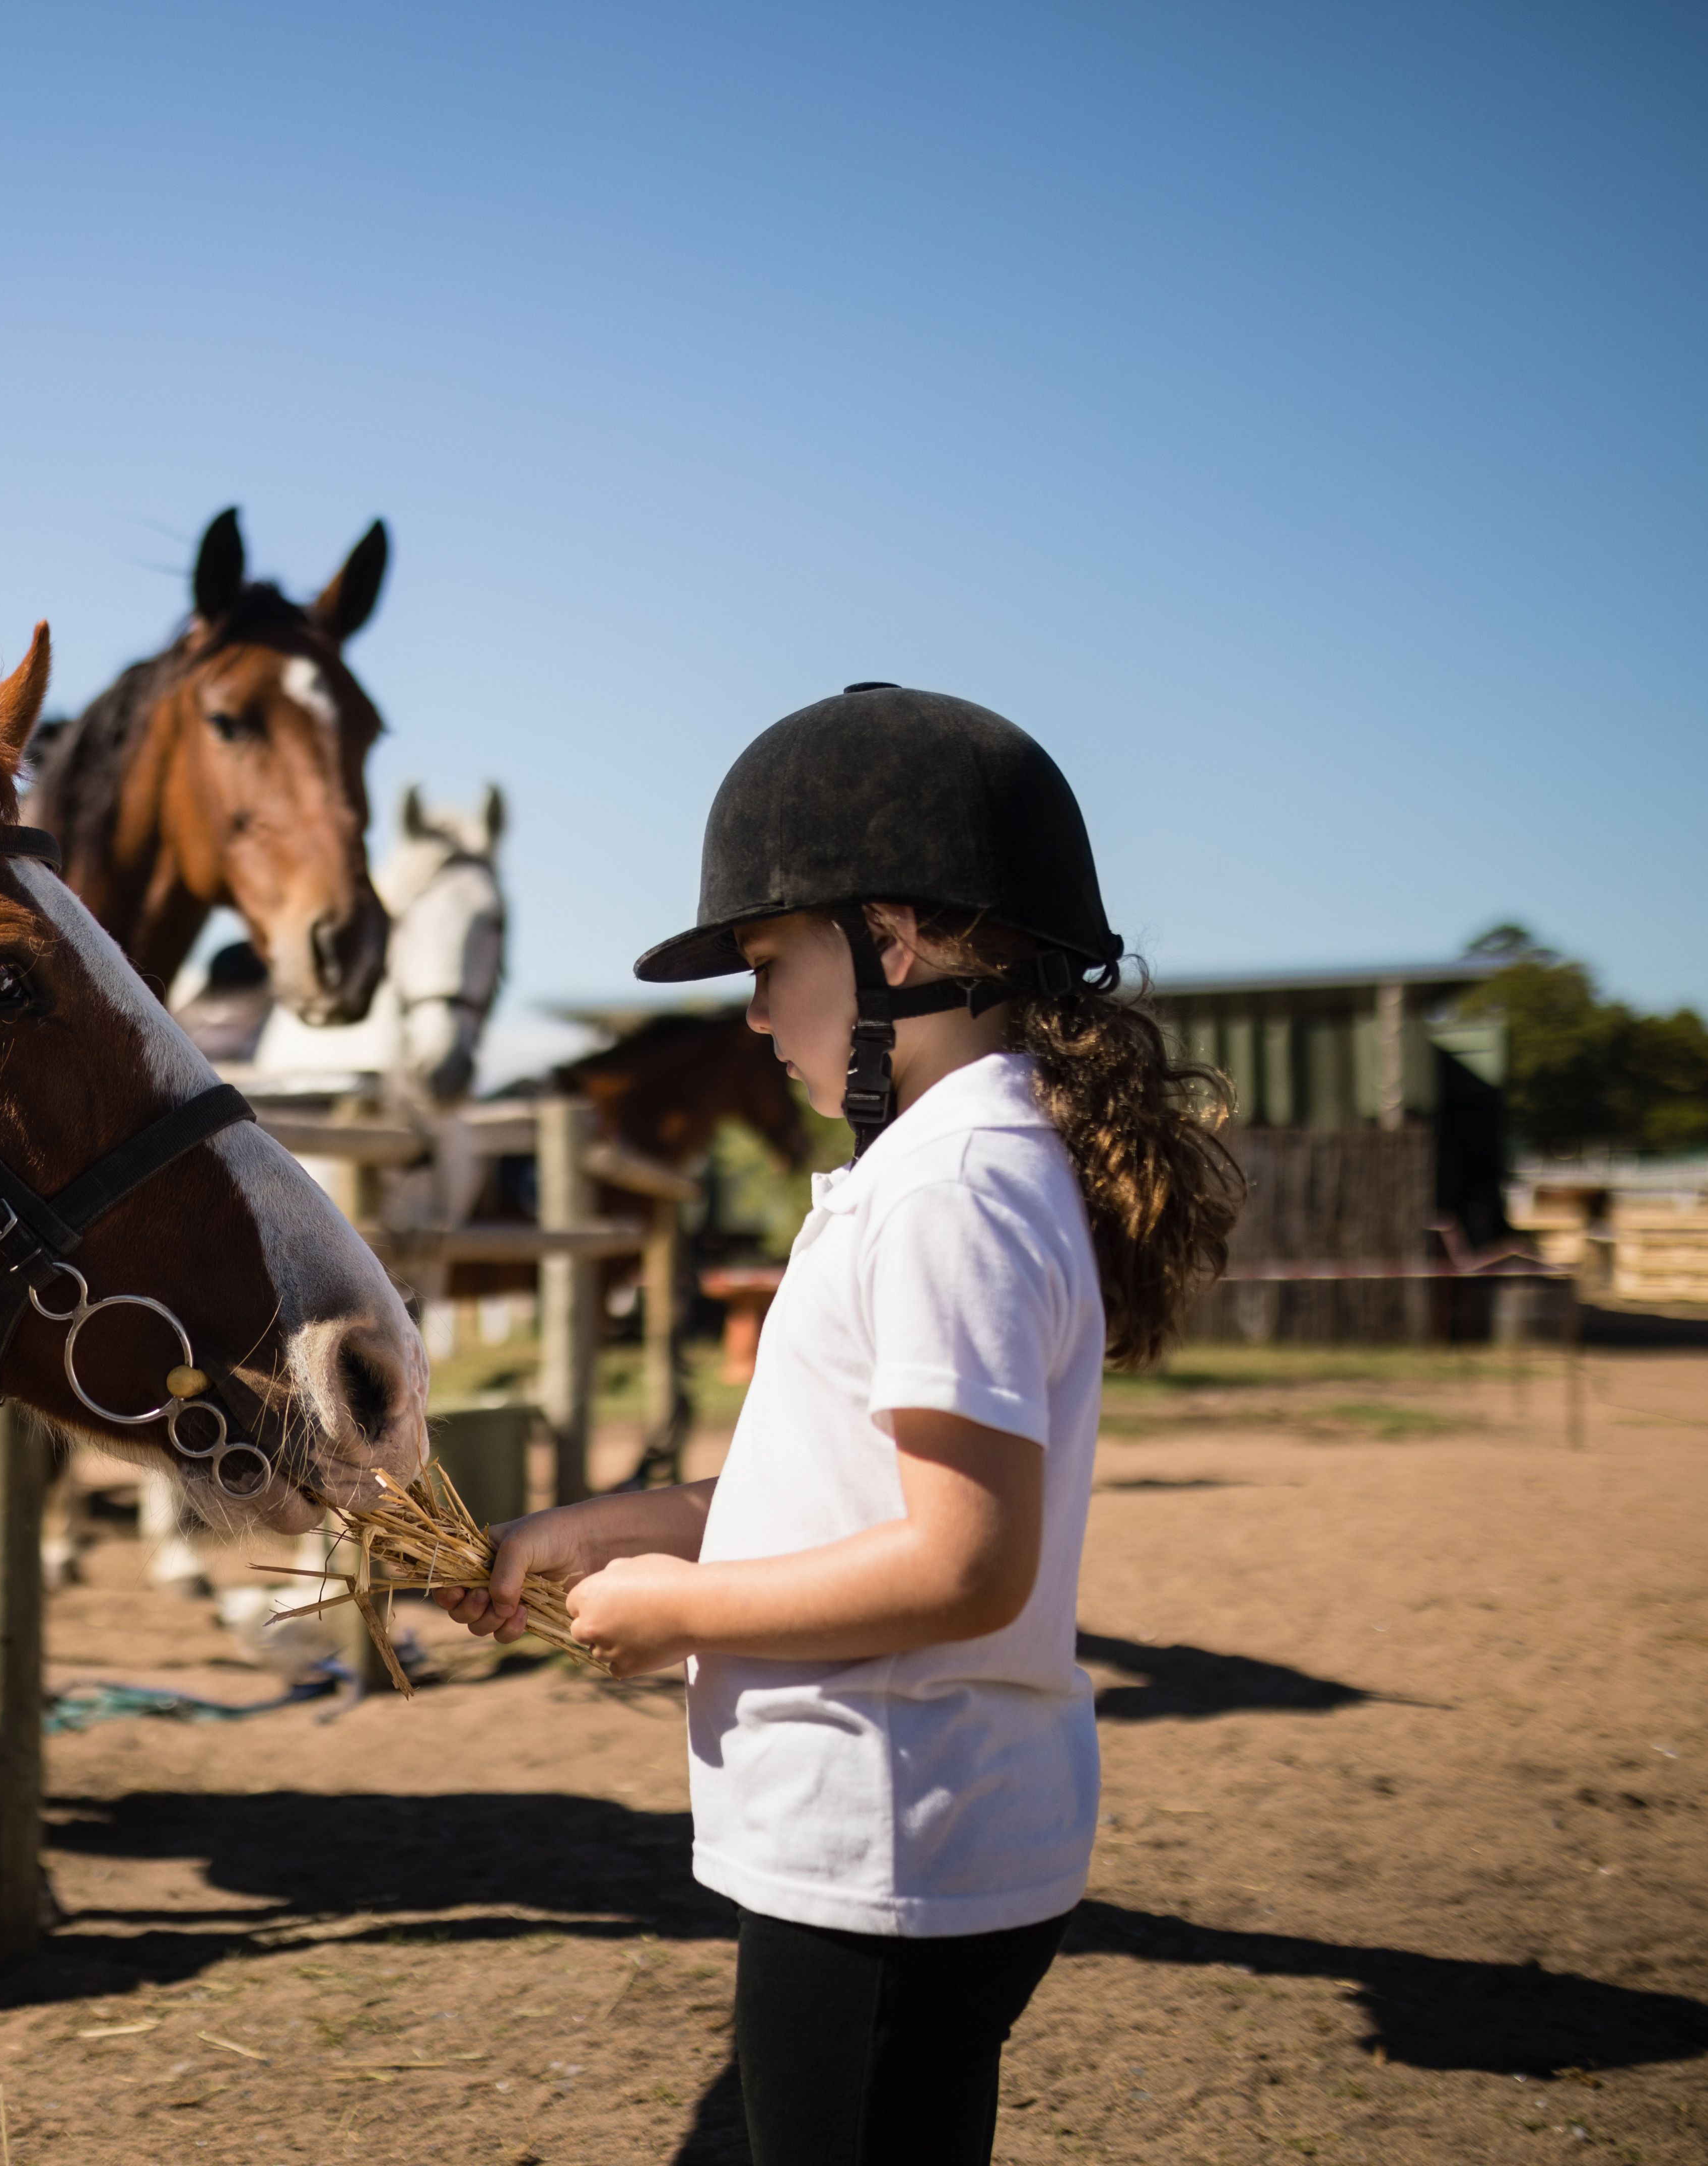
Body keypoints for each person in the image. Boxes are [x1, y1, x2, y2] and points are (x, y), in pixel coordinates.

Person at [438, 684, 1240, 2164]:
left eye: (765, 963)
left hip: (890, 1837)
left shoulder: (951, 1190)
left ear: (898, 942)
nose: (749, 1015)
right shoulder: (936, 1168)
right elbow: (818, 1496)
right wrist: (588, 1535)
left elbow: (963, 1566)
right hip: (898, 1829)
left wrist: (682, 1608)